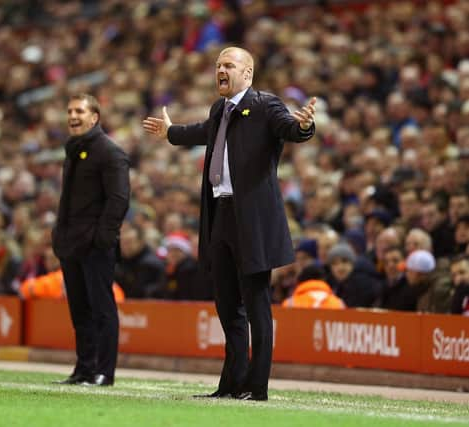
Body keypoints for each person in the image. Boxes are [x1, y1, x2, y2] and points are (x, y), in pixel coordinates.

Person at [143, 46, 316, 401]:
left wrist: (305, 126)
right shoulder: (219, 108)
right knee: (226, 304)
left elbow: (289, 129)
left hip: (251, 218)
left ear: (247, 74)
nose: (221, 70)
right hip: (220, 213)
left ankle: (257, 387)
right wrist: (171, 133)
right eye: (218, 64)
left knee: (256, 303)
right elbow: (203, 131)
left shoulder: (266, 105)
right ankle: (230, 384)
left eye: (229, 65)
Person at [51, 94, 130, 387]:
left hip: (95, 246)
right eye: (70, 110)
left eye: (79, 111)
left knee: (102, 309)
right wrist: (59, 234)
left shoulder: (110, 153)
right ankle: (83, 368)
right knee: (80, 310)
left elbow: (119, 199)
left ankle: (103, 372)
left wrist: (102, 238)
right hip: (71, 244)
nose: (73, 116)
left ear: (94, 117)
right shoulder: (74, 149)